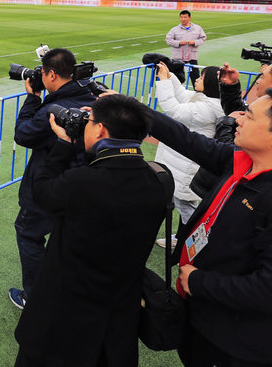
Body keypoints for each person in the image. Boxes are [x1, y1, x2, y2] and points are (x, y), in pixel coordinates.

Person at [150, 89, 272, 367]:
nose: (238, 120)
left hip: (237, 348)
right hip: (204, 324)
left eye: (249, 116)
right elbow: (187, 140)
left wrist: (200, 282)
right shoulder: (243, 163)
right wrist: (131, 108)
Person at [14, 94, 172, 367]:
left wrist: (64, 143)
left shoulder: (81, 183)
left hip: (62, 315)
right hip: (118, 317)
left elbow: (41, 192)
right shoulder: (160, 179)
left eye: (90, 123)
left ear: (100, 129)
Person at [9, 48, 97, 310]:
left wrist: (32, 98)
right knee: (63, 237)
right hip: (81, 182)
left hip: (49, 183)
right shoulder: (89, 94)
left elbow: (23, 134)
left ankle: (35, 297)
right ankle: (63, 285)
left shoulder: (56, 109)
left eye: (43, 73)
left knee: (28, 233)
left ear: (51, 74)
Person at [191, 56, 272, 200]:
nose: (258, 80)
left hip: (229, 192)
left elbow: (232, 155)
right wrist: (231, 86)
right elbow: (239, 113)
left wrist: (225, 123)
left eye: (263, 76)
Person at [153, 63, 224, 249]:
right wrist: (169, 77)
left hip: (187, 166)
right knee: (183, 203)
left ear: (209, 83)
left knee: (187, 207)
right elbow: (183, 95)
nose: (197, 79)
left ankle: (185, 242)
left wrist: (163, 82)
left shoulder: (208, 108)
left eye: (201, 77)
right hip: (182, 162)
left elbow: (174, 110)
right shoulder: (206, 99)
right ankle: (184, 239)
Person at [166, 10, 206, 85]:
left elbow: (203, 39)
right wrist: (178, 43)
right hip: (177, 58)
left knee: (195, 78)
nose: (183, 19)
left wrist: (194, 42)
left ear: (189, 18)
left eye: (185, 17)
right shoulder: (174, 29)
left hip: (192, 58)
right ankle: (176, 95)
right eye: (181, 17)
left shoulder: (197, 28)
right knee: (176, 79)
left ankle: (198, 93)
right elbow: (168, 40)